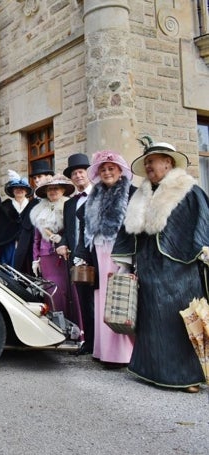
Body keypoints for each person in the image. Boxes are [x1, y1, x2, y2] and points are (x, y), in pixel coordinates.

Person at [115, 139, 209, 392]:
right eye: (146, 162)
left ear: (168, 163)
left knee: (180, 321)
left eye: (152, 161)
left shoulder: (189, 190)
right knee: (151, 320)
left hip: (181, 268)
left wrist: (203, 251)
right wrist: (124, 263)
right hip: (148, 265)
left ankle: (187, 377)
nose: (148, 166)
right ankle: (150, 370)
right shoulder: (141, 193)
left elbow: (202, 224)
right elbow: (127, 231)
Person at [73, 150, 136, 367]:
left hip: (121, 253)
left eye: (111, 168)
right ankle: (104, 351)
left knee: (121, 300)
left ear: (120, 170)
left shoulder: (132, 193)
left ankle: (123, 354)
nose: (107, 172)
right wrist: (80, 255)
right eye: (103, 169)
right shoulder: (93, 197)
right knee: (101, 301)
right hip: (98, 252)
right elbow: (85, 230)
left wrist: (129, 261)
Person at [55, 154, 95, 354]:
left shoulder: (99, 195)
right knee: (83, 300)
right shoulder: (70, 204)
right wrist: (62, 244)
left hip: (97, 255)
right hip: (76, 257)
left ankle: (103, 346)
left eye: (81, 172)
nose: (78, 176)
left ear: (88, 173)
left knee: (98, 300)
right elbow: (68, 230)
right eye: (74, 173)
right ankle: (89, 343)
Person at [29, 174, 75, 322]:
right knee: (51, 291)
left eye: (56, 188)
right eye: (50, 189)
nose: (53, 191)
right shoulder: (39, 211)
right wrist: (35, 259)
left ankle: (71, 324)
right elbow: (36, 238)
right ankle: (56, 324)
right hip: (46, 258)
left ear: (62, 190)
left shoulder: (69, 207)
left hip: (64, 255)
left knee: (66, 291)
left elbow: (72, 232)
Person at [0, 170, 38, 274]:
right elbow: (1, 228)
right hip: (9, 245)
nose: (19, 190)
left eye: (22, 188)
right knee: (8, 271)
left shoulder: (34, 206)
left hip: (28, 246)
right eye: (16, 188)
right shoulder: (5, 207)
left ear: (26, 191)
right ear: (12, 190)